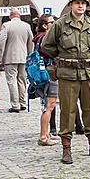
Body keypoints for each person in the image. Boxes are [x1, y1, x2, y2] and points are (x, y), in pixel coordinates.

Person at [40, 0, 90, 164]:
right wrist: (61, 57)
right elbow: (46, 45)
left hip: (89, 73)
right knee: (68, 111)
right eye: (77, 3)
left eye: (83, 3)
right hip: (68, 74)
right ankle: (66, 149)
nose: (80, 6)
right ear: (71, 5)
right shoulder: (60, 24)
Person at [0, 8, 34, 113]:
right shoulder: (26, 26)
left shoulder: (6, 25)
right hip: (23, 57)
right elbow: (31, 42)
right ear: (19, 16)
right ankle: (22, 103)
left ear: (10, 16)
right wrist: (29, 55)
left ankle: (15, 105)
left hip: (10, 57)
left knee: (11, 80)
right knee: (22, 80)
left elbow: (1, 43)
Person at [33, 16, 59, 146]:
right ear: (45, 25)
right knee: (49, 105)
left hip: (43, 72)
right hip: (49, 72)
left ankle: (46, 133)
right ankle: (43, 136)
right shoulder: (45, 38)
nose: (54, 24)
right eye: (52, 22)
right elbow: (52, 53)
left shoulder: (38, 36)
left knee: (46, 105)